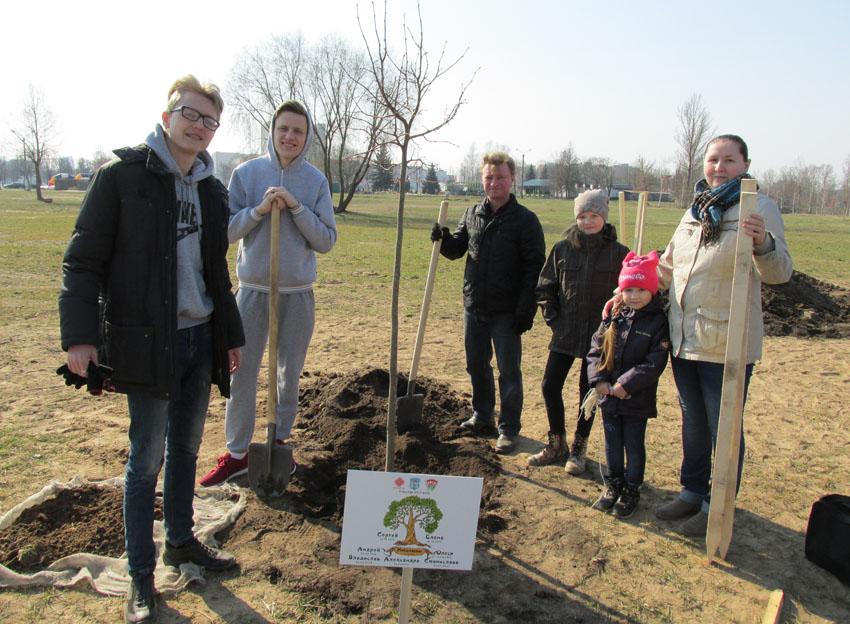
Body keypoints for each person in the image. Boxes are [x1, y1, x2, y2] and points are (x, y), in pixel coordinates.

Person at [59, 75, 245, 623]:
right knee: (146, 461)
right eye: (191, 114)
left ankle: (182, 541)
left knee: (187, 449)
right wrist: (81, 337)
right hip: (146, 344)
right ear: (167, 116)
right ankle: (141, 575)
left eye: (210, 120)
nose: (199, 126)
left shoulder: (212, 190)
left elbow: (216, 271)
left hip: (199, 338)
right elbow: (83, 261)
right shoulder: (121, 179)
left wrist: (229, 335)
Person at [653, 134, 792, 537]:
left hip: (726, 342)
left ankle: (718, 504)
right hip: (684, 337)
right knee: (692, 421)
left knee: (723, 426)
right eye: (713, 160)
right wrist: (629, 290)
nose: (719, 167)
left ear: (745, 163)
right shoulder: (694, 210)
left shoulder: (758, 206)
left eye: (729, 160)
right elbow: (669, 264)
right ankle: (691, 491)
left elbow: (780, 272)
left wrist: (763, 242)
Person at [200, 100, 337, 486]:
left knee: (287, 374)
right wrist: (259, 210)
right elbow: (225, 232)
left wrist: (295, 207)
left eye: (298, 131)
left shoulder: (316, 182)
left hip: (296, 295)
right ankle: (237, 454)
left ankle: (278, 444)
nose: (289, 137)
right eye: (283, 130)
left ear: (307, 137)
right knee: (241, 373)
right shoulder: (246, 174)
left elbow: (326, 241)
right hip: (253, 293)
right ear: (272, 133)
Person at [432, 151, 545, 453]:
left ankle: (508, 428)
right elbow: (457, 249)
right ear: (482, 180)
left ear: (512, 179)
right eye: (489, 177)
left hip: (507, 312)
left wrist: (526, 309)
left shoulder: (525, 221)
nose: (494, 183)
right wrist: (442, 239)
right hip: (474, 305)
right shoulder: (472, 214)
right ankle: (482, 416)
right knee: (476, 365)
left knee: (509, 371)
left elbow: (535, 267)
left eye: (500, 177)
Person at [530, 189, 629, 473]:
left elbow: (627, 294)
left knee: (588, 393)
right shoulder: (562, 249)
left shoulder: (619, 254)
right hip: (565, 332)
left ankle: (578, 448)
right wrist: (554, 319)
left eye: (594, 216)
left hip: (599, 338)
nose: (588, 221)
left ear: (604, 217)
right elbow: (545, 287)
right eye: (583, 216)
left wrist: (613, 327)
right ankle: (555, 442)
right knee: (550, 385)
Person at [586, 251, 669, 518]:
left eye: (641, 289)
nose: (634, 295)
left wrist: (626, 384)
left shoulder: (658, 322)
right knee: (612, 442)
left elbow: (655, 361)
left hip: (636, 399)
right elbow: (596, 349)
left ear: (652, 290)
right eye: (628, 289)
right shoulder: (614, 315)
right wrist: (598, 379)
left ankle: (632, 489)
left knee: (633, 444)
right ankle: (613, 485)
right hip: (608, 397)